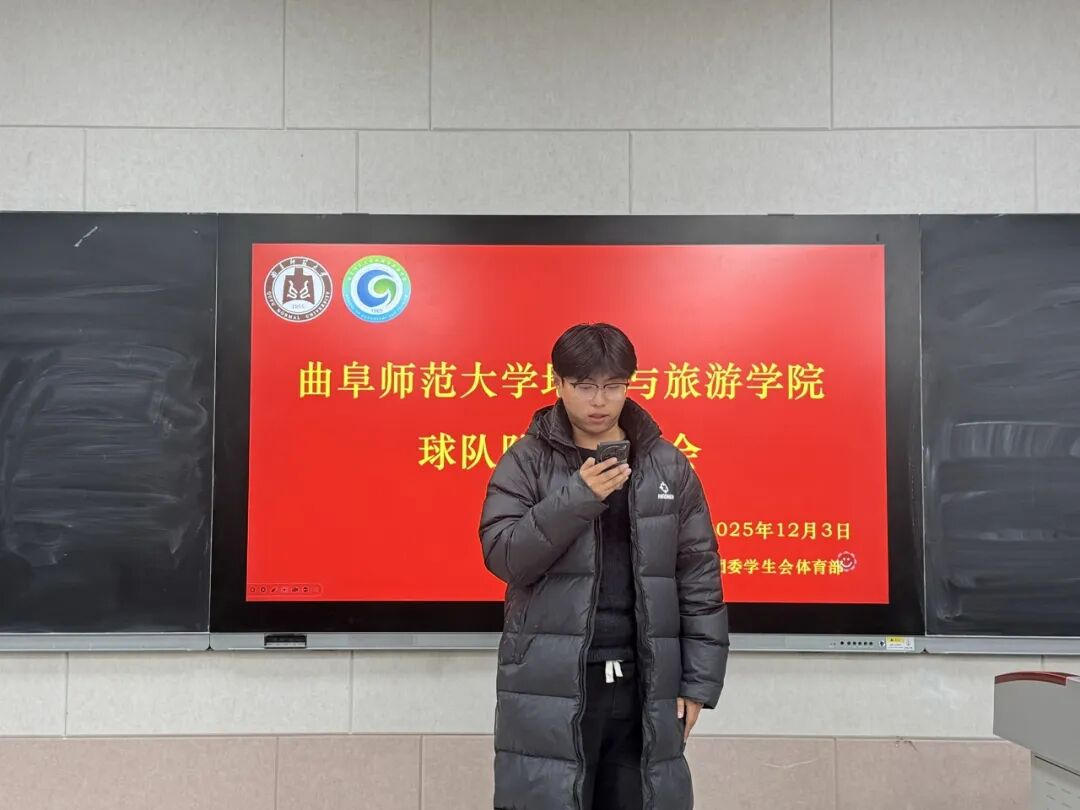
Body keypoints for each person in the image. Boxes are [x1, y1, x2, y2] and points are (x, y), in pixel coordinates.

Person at [479, 323, 728, 810]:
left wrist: (698, 684)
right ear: (558, 383)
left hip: (646, 684)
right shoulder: (526, 462)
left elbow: (699, 577)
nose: (599, 401)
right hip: (551, 684)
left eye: (613, 386)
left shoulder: (667, 465)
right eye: (585, 386)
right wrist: (578, 497)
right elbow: (505, 556)